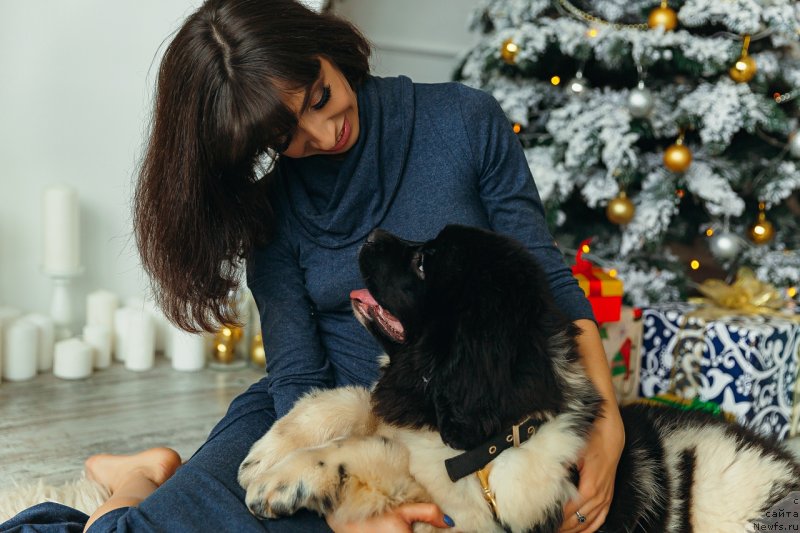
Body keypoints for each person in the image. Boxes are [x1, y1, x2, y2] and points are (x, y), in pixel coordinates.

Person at [0, 0, 624, 531]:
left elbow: (548, 285)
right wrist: (348, 505)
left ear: (326, 47)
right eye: (286, 138)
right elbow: (299, 377)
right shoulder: (271, 209)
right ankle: (139, 479)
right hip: (317, 424)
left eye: (321, 97)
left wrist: (609, 423)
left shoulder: (464, 121)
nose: (323, 136)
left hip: (454, 426)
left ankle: (145, 478)